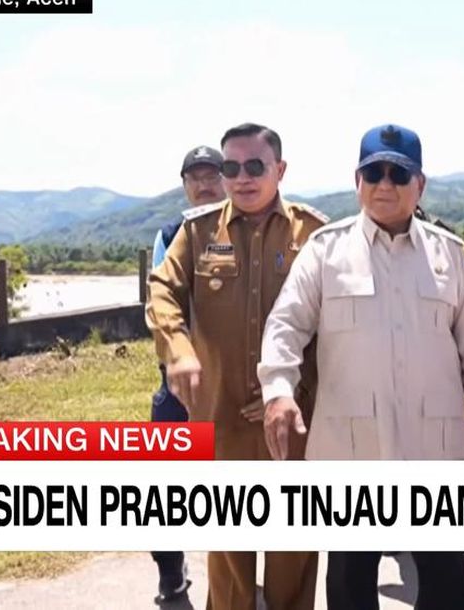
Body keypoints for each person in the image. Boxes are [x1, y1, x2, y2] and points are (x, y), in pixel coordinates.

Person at [255, 123, 464, 610]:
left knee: (448, 582)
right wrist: (278, 390)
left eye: (398, 173)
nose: (385, 183)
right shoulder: (327, 251)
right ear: (357, 180)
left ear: (420, 185)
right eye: (374, 172)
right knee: (350, 581)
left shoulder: (447, 255)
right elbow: (286, 325)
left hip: (434, 448)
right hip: (352, 452)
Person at [147, 123, 325, 610]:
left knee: (293, 558)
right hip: (220, 422)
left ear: (279, 169)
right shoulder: (197, 232)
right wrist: (178, 348)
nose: (241, 178)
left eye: (254, 166)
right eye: (231, 167)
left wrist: (295, 387)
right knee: (228, 565)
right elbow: (162, 290)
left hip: (293, 422)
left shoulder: (313, 234)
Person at [148, 144, 226, 603]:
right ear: (184, 185)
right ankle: (170, 571)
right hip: (181, 384)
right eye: (194, 177)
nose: (203, 184)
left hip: (235, 381)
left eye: (211, 175)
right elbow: (162, 307)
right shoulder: (171, 233)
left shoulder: (246, 227)